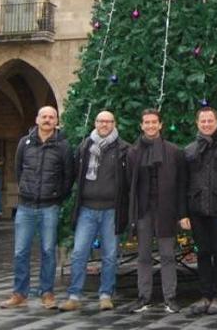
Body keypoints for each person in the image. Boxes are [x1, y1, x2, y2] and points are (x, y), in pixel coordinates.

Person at [0, 106, 75, 309]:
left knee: (48, 251)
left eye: (51, 117)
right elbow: (18, 170)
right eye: (44, 116)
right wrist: (26, 190)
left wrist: (57, 196)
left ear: (56, 121)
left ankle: (47, 293)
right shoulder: (24, 144)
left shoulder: (63, 146)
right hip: (25, 206)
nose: (47, 120)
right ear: (37, 119)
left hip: (50, 206)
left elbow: (69, 176)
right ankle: (19, 294)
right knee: (20, 251)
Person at [59, 110, 130, 312]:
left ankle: (106, 294)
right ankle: (74, 296)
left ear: (114, 124)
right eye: (100, 121)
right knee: (79, 252)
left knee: (110, 255)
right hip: (87, 209)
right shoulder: (85, 147)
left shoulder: (123, 149)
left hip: (111, 210)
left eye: (108, 121)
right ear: (95, 123)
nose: (104, 125)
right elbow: (73, 175)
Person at [123, 108, 186, 314]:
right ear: (142, 126)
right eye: (146, 122)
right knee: (143, 256)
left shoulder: (174, 151)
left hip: (166, 210)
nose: (150, 126)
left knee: (168, 254)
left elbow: (180, 184)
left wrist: (180, 212)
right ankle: (144, 297)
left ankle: (171, 297)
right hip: (143, 211)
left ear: (160, 125)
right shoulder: (133, 152)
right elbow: (129, 183)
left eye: (154, 122)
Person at [181, 107, 217, 316]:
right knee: (203, 253)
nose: (207, 124)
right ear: (197, 123)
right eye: (203, 121)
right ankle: (205, 294)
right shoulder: (188, 151)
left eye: (210, 121)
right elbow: (183, 185)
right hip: (197, 211)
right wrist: (183, 214)